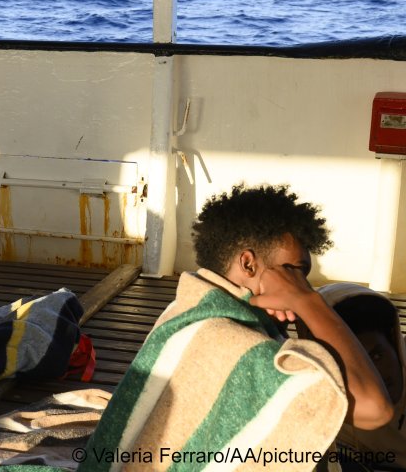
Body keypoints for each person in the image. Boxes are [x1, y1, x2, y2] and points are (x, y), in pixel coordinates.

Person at [79, 184, 393, 471]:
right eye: (294, 271)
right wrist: (309, 302)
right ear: (248, 264)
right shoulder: (232, 341)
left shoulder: (193, 307)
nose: (301, 285)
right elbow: (375, 408)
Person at [316, 283, 406, 469]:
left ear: (394, 343)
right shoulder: (331, 419)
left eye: (377, 356)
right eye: (354, 366)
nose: (375, 375)